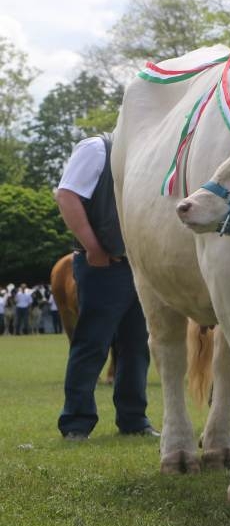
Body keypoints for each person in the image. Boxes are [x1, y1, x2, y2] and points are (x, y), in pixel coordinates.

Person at [55, 133, 158, 441]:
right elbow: (66, 195)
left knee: (136, 347)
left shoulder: (147, 148)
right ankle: (76, 422)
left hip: (139, 267)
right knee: (92, 344)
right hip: (104, 265)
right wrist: (93, 248)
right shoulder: (97, 147)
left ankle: (133, 420)